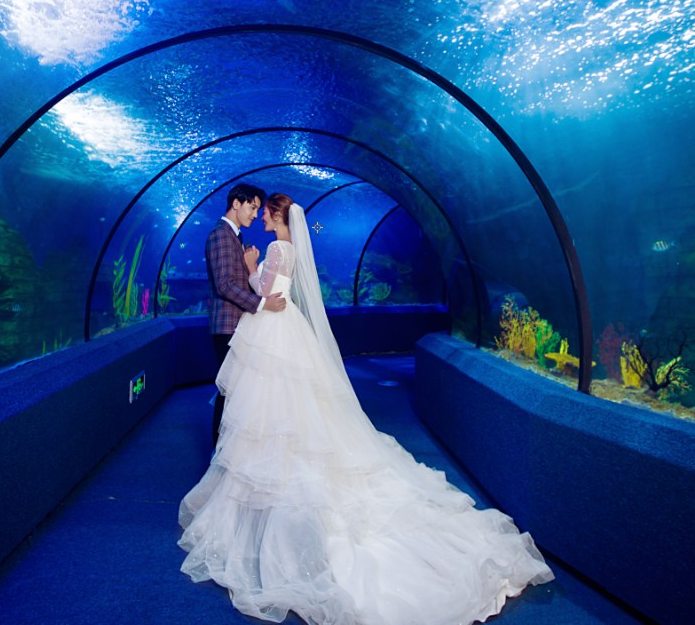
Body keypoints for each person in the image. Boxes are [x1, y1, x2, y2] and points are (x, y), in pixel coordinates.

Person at [180, 193, 554, 625]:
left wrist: (251, 270)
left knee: (270, 407)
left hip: (273, 329)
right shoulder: (283, 247)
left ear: (278, 216)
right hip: (278, 328)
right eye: (257, 210)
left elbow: (268, 292)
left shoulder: (278, 249)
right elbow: (270, 291)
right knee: (279, 406)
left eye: (265, 211)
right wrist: (254, 275)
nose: (260, 215)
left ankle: (264, 484)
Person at [205, 183, 286, 446]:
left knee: (237, 391)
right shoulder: (220, 235)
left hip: (238, 325)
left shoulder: (235, 236)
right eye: (252, 207)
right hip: (227, 325)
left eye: (258, 210)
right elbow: (224, 285)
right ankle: (220, 451)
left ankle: (229, 448)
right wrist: (262, 304)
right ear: (236, 204)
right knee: (229, 390)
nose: (255, 214)